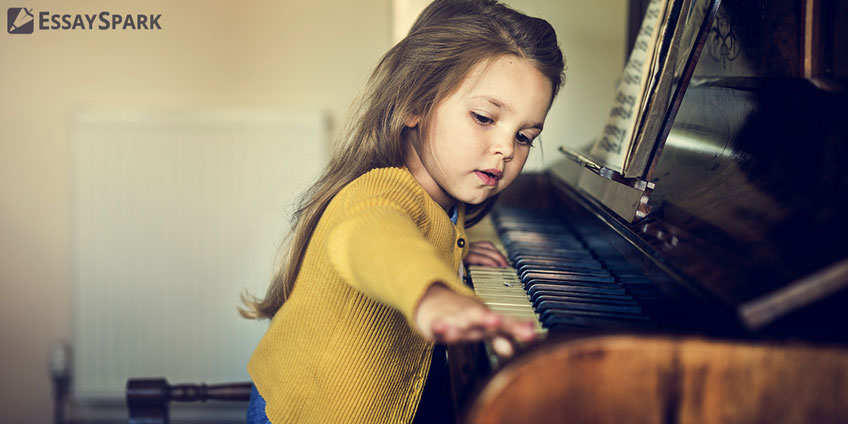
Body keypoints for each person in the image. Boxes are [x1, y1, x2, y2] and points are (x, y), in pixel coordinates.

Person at [240, 0, 565, 422]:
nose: (506, 149)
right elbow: (374, 238)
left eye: (524, 136)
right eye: (484, 117)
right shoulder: (380, 191)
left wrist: (453, 254)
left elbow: (420, 233)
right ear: (415, 103)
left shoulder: (447, 197)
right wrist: (433, 293)